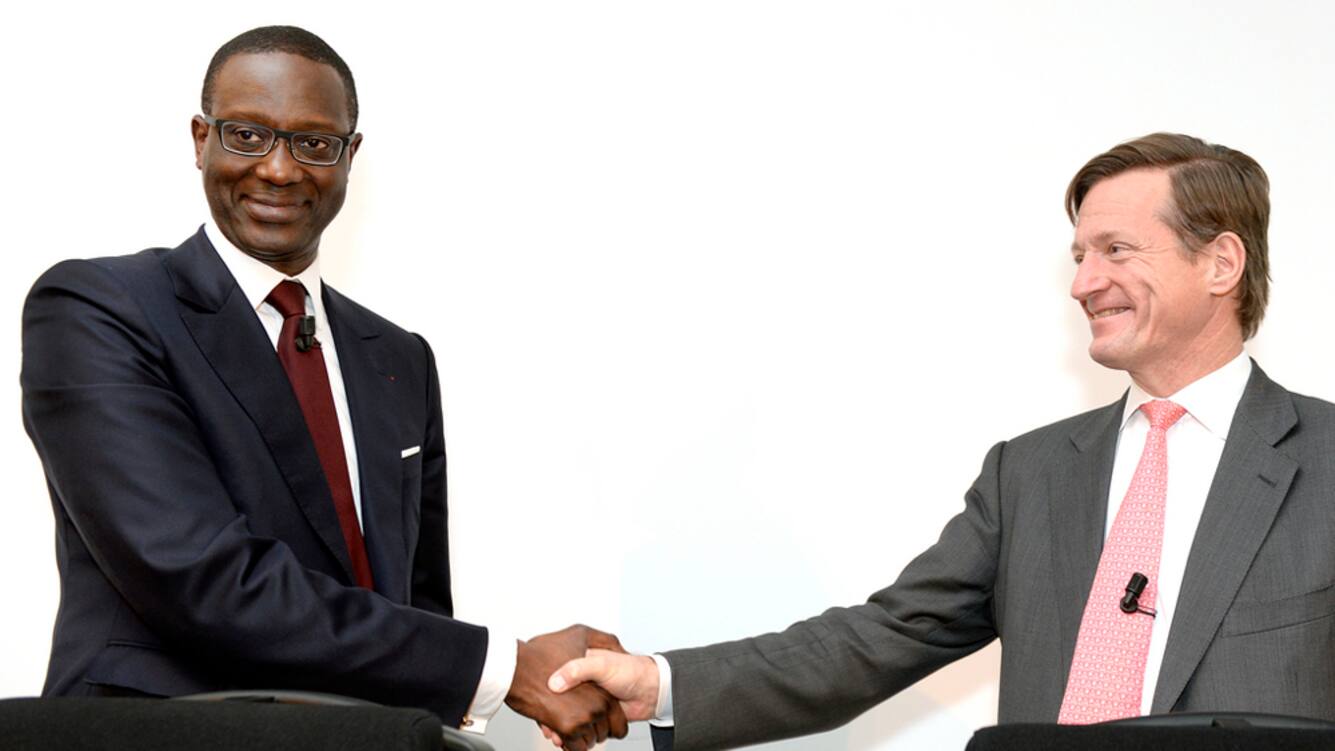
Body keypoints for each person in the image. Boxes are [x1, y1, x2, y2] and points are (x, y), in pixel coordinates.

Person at [546, 133, 1335, 750]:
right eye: (1079, 256)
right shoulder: (1029, 473)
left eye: (1115, 250)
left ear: (1220, 263)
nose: (1082, 283)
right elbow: (881, 637)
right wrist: (662, 682)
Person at [20, 25, 623, 751]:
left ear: (349, 156)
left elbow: (416, 608)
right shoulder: (99, 309)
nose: (278, 170)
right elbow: (203, 581)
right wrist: (508, 668)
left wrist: (507, 692)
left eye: (313, 143)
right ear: (200, 140)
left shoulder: (398, 358)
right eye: (247, 135)